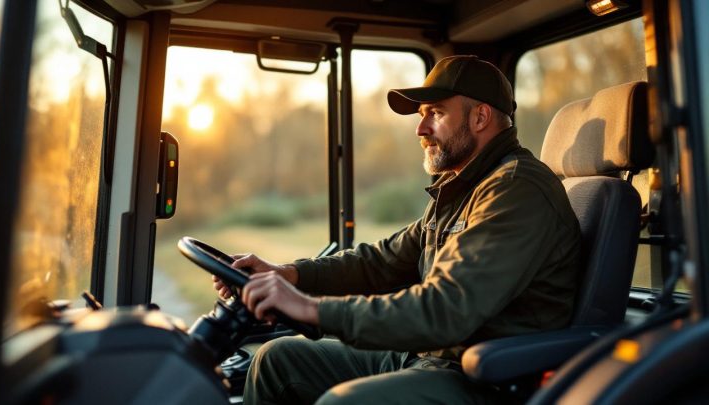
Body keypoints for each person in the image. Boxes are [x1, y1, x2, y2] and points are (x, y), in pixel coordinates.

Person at [213, 55, 582, 404]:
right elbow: (380, 262)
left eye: (435, 114)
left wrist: (312, 310)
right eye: (422, 116)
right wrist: (288, 275)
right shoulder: (461, 187)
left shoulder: (516, 189)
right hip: (430, 357)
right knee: (278, 359)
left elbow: (445, 308)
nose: (420, 129)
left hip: (482, 379)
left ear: (481, 117)